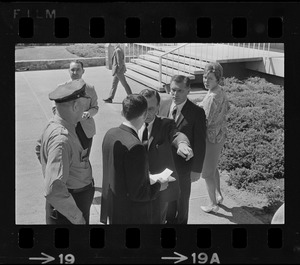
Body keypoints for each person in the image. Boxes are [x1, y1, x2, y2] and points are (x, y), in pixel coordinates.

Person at [100, 94, 169, 224]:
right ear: (144, 115)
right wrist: (160, 186)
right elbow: (139, 194)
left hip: (114, 209)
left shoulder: (110, 133)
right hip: (130, 215)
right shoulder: (136, 146)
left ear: (123, 112)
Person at [35, 79, 95, 225]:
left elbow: (38, 148)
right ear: (75, 106)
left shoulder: (57, 124)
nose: (84, 112)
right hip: (68, 213)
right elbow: (54, 190)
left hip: (71, 204)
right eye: (83, 107)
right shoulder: (61, 140)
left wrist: (54, 168)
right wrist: (77, 218)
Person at [138, 89, 194, 224]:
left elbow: (176, 135)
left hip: (159, 189)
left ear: (158, 107)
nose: (147, 113)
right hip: (138, 186)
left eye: (151, 108)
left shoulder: (166, 124)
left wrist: (182, 144)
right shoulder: (133, 124)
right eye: (144, 108)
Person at [159, 75, 207, 224]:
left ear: (188, 91)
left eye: (180, 91)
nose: (175, 94)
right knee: (166, 203)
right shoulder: (163, 105)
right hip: (164, 165)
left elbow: (200, 143)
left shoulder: (197, 113)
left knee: (181, 203)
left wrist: (196, 170)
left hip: (183, 168)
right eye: (173, 90)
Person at [197, 62, 230, 213]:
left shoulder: (212, 96)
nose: (206, 81)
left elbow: (205, 120)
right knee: (213, 167)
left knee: (207, 173)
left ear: (218, 79)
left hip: (211, 138)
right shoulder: (218, 91)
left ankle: (212, 204)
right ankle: (218, 195)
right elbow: (222, 108)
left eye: (210, 78)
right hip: (220, 135)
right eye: (204, 77)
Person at [52, 60, 99, 158]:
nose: (75, 73)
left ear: (83, 71)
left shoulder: (90, 88)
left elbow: (95, 107)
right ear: (68, 71)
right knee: (68, 158)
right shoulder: (61, 88)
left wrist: (88, 113)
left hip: (85, 130)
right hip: (67, 129)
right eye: (72, 70)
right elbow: (54, 109)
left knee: (84, 158)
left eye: (78, 70)